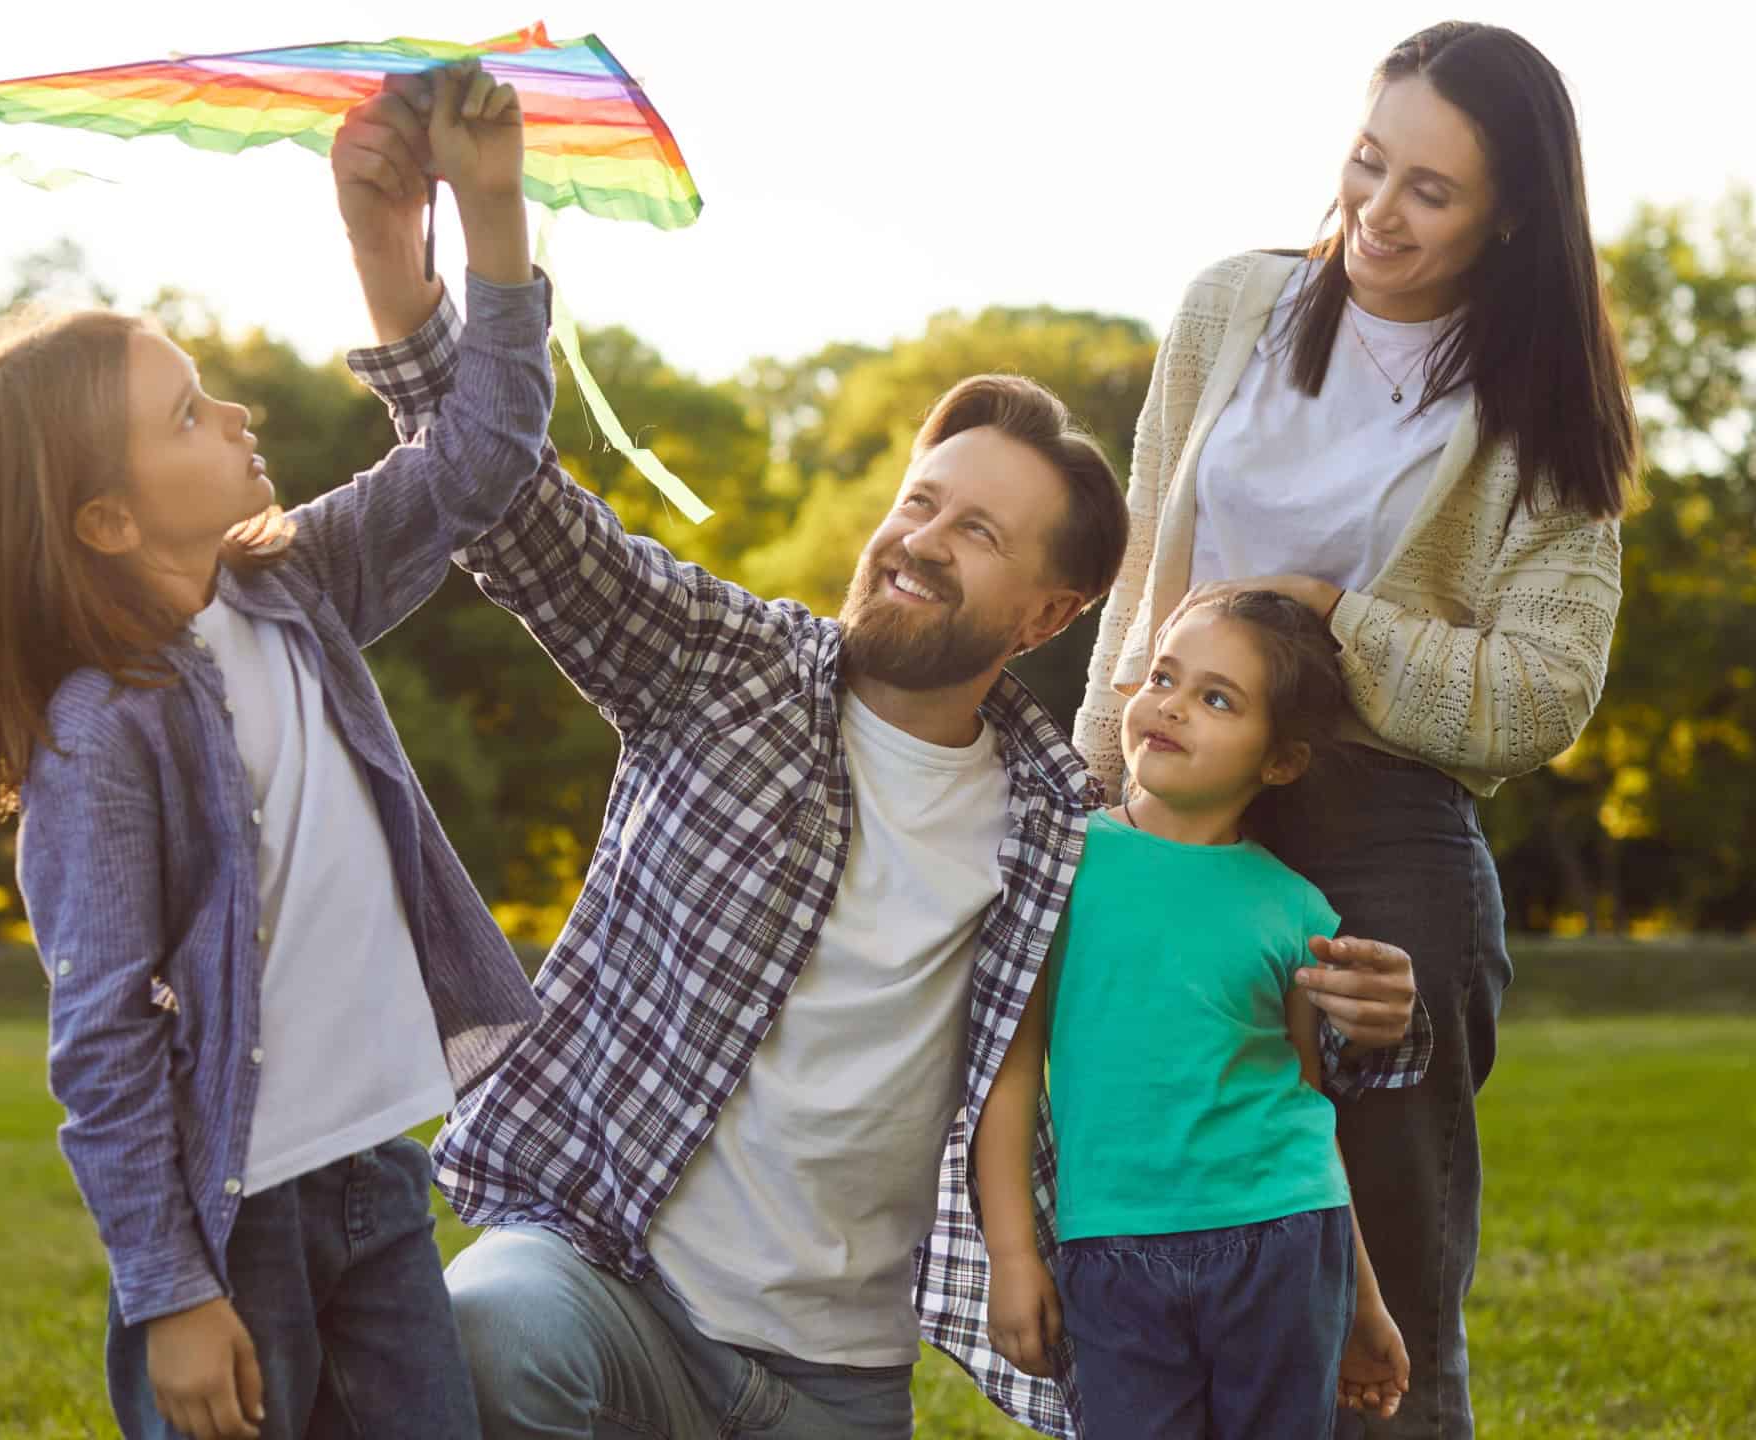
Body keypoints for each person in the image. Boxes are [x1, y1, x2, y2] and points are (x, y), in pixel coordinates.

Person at [412, 351, 1429, 1436]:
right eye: (919, 503)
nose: (922, 541)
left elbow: (1238, 1031)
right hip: (603, 1285)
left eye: (979, 533)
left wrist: (1384, 1017)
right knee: (488, 1331)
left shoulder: (1056, 834)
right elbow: (520, 521)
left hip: (828, 1379)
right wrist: (444, 266)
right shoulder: (728, 673)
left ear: (1047, 615)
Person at [0, 62, 546, 1440]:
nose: (238, 419)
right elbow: (101, 1041)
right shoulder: (100, 737)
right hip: (232, 1229)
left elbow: (481, 455)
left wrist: (489, 221)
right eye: (189, 416)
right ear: (104, 521)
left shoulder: (292, 588)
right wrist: (169, 1290)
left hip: (376, 1183)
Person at [1077, 22, 1639, 1438]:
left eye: (1430, 192)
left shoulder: (1542, 416)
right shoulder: (1232, 311)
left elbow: (1540, 699)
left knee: (1370, 1264)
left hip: (1381, 833)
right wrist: (1101, 776)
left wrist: (1336, 615)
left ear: (1510, 214)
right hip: (1179, 799)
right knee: (1150, 1209)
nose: (1378, 215)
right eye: (1368, 165)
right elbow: (1150, 556)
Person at [978, 585, 1411, 1439]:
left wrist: (1363, 1304)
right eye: (1165, 678)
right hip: (1111, 1250)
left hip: (1283, 1239)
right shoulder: (1060, 867)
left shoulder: (1299, 911)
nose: (1171, 707)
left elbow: (1309, 1105)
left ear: (1279, 761)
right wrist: (1013, 1255)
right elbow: (1010, 1065)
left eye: (1217, 699)